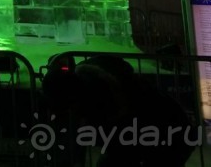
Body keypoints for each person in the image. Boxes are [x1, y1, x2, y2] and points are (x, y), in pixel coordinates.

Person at [41, 54, 196, 166]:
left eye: (70, 106)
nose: (71, 111)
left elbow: (123, 149)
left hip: (170, 136)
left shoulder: (108, 104)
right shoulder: (95, 79)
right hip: (172, 130)